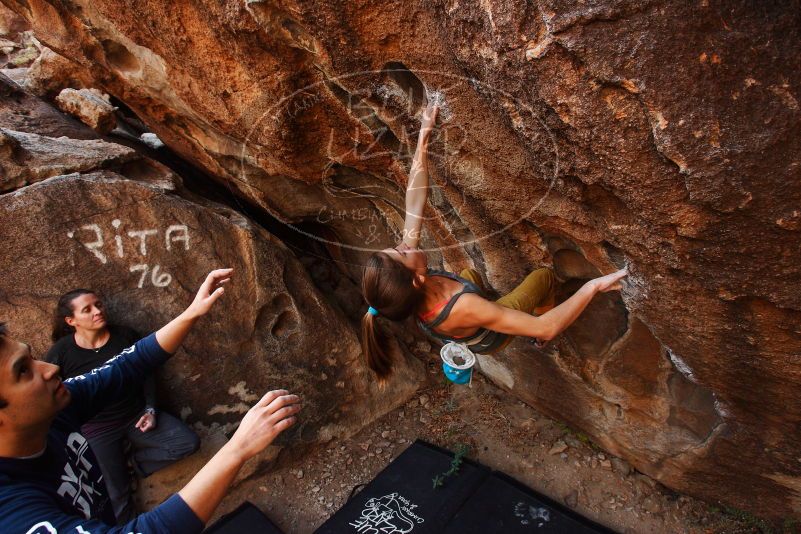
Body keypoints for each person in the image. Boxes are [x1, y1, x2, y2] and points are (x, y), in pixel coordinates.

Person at [0, 269, 302, 533]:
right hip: (103, 435)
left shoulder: (57, 408)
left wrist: (192, 312)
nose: (50, 369)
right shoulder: (12, 512)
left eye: (32, 358)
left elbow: (128, 364)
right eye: (23, 371)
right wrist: (237, 449)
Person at [361, 101, 628, 380]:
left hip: (461, 316)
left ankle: (491, 311)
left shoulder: (410, 284)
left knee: (469, 275)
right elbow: (546, 326)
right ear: (415, 279)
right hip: (489, 335)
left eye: (396, 247)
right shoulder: (465, 306)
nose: (404, 244)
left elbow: (414, 201)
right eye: (401, 252)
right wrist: (593, 286)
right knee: (544, 278)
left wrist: (423, 136)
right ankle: (536, 340)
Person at [45, 288, 201, 523]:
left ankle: (132, 464)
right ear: (71, 320)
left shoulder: (124, 336)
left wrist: (150, 408)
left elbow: (146, 373)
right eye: (87, 310)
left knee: (186, 442)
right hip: (97, 429)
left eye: (98, 304)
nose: (98, 311)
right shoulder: (62, 352)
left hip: (134, 415)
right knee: (116, 495)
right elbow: (54, 395)